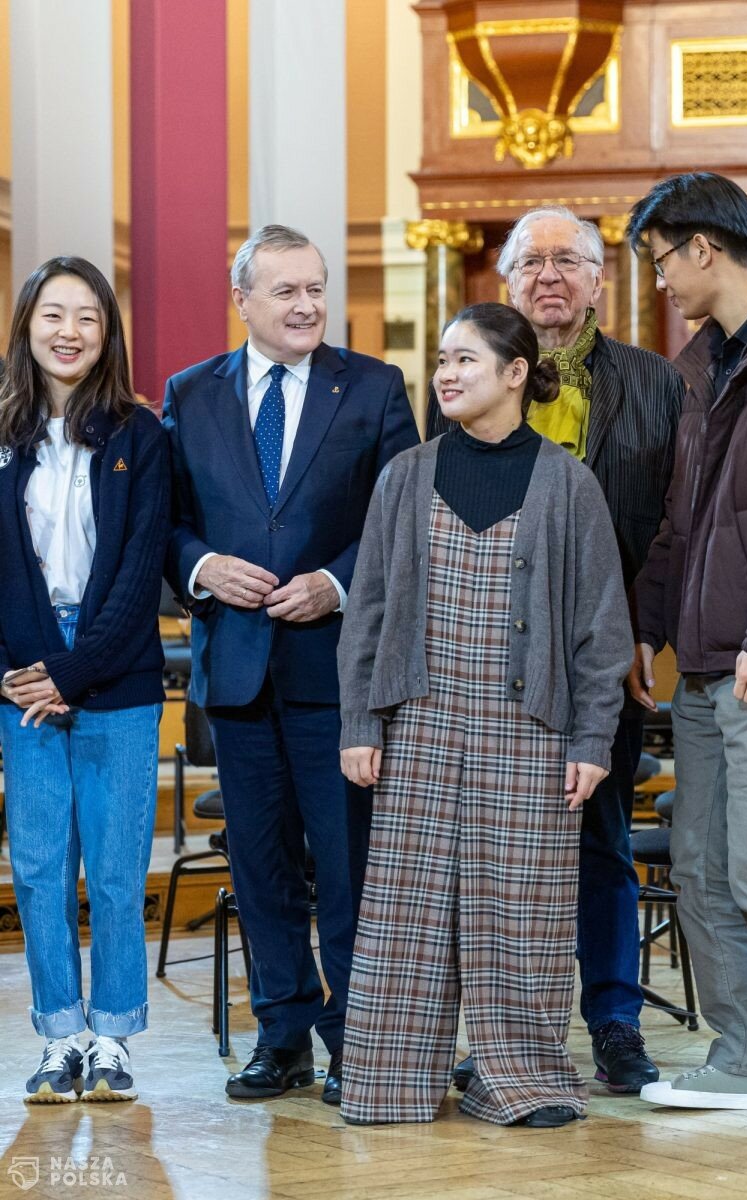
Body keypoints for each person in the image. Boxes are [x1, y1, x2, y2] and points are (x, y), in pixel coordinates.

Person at [338, 302, 633, 1127]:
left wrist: (592, 739)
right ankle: (389, 1082)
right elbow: (366, 611)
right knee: (407, 912)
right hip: (418, 726)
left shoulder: (568, 483)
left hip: (529, 731)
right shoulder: (407, 474)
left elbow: (602, 628)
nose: (447, 374)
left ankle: (522, 1080)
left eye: (466, 359)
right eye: (441, 359)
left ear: (514, 373)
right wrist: (360, 723)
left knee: (523, 914)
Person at [162, 224, 418, 1105]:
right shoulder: (189, 393)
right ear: (244, 299)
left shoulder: (376, 388)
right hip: (235, 675)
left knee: (349, 868)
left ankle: (359, 1039)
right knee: (262, 865)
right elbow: (167, 523)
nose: (308, 305)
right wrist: (201, 566)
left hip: (337, 677)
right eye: (287, 291)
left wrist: (334, 584)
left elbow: (403, 523)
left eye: (317, 288)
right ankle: (282, 1034)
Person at [429, 207, 683, 1093]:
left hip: (602, 658)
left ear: (599, 278)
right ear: (505, 282)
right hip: (484, 662)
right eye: (530, 261)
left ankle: (614, 1022)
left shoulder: (658, 383)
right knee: (495, 854)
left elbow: (674, 525)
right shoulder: (467, 382)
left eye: (568, 260)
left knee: (602, 842)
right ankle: (500, 1032)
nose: (550, 276)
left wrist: (639, 633)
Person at [626, 172, 747, 1119]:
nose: (657, 282)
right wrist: (645, 628)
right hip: (698, 665)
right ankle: (745, 1056)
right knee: (698, 866)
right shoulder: (699, 367)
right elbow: (679, 527)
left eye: (660, 261)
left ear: (701, 246)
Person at [0, 256, 169, 1103]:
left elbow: (141, 575)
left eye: (88, 318)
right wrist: (17, 675)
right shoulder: (2, 439)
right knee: (36, 865)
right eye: (53, 315)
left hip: (117, 676)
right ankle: (59, 1036)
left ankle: (113, 1038)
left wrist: (68, 672)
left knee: (111, 867)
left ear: (108, 335)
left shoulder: (142, 437)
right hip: (22, 675)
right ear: (26, 324)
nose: (69, 332)